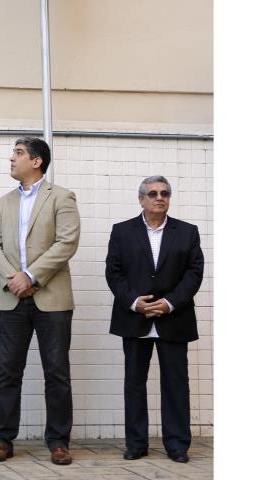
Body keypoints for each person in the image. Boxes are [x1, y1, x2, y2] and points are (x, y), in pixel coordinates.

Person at [0, 137, 80, 465]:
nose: (11, 159)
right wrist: (14, 278)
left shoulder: (63, 197)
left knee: (56, 372)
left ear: (37, 161)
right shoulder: (3, 202)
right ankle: (2, 439)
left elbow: (67, 242)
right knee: (8, 372)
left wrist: (32, 276)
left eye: (18, 153)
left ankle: (58, 441)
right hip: (10, 298)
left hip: (51, 299)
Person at [105, 176, 204, 463]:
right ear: (141, 199)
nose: (159, 197)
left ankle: (177, 445)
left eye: (164, 193)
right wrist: (136, 302)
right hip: (134, 318)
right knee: (134, 383)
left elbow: (194, 273)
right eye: (152, 193)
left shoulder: (187, 232)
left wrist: (171, 303)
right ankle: (136, 443)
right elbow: (114, 272)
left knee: (175, 382)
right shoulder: (122, 231)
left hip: (175, 318)